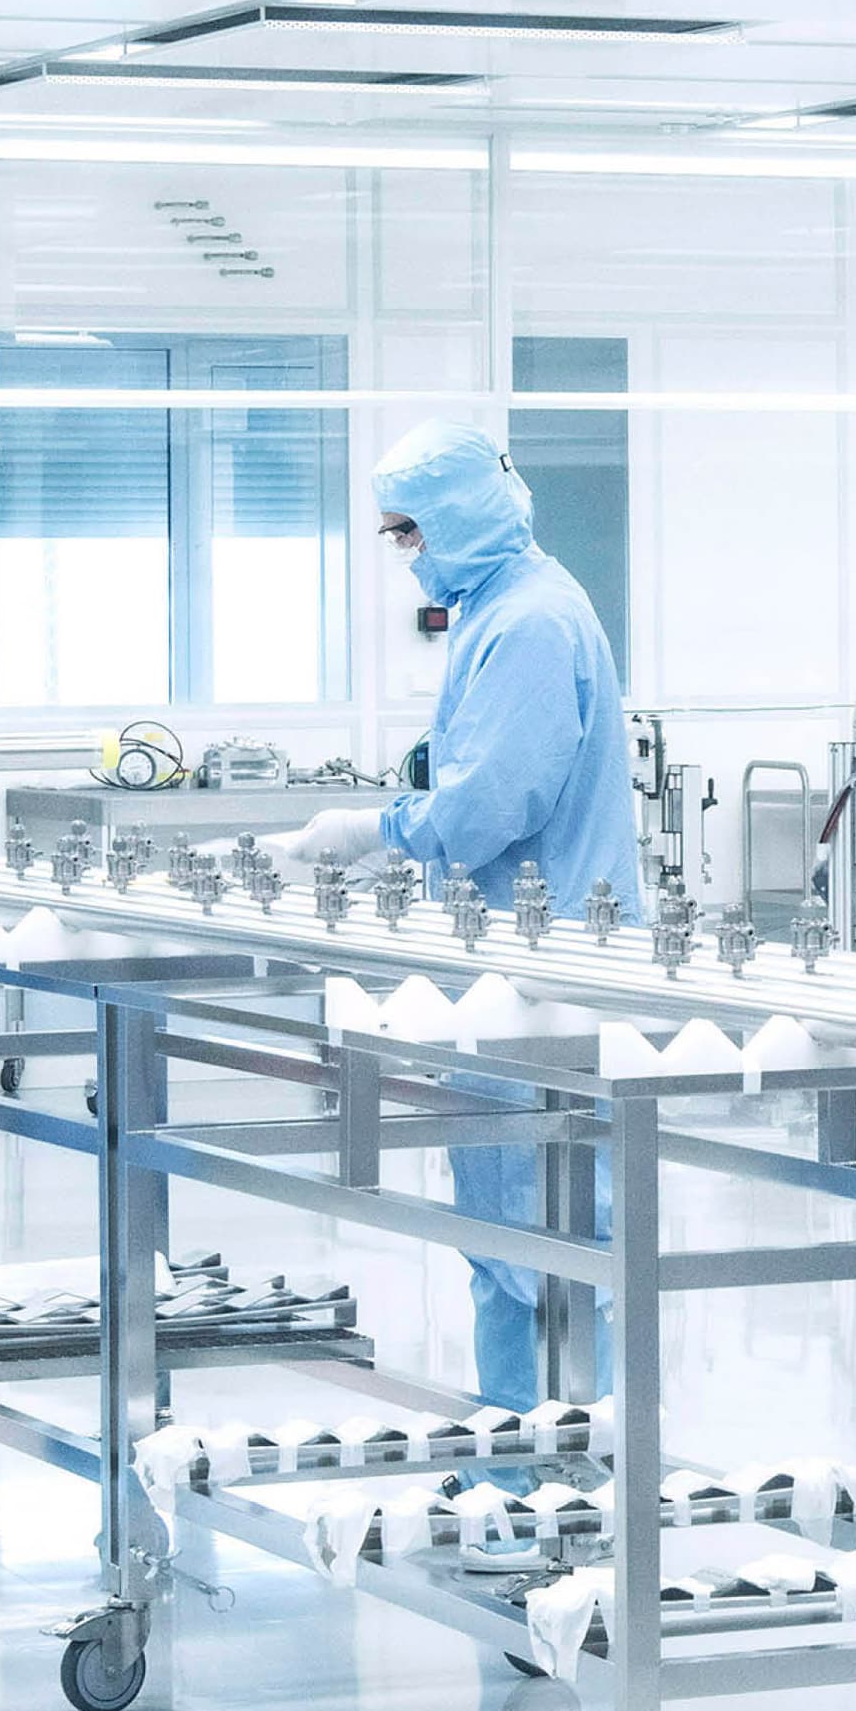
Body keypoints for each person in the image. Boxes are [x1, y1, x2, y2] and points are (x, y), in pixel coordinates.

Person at [265, 422, 642, 1409]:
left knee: (545, 1241)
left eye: (408, 533)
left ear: (459, 517)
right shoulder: (498, 609)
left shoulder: (529, 625)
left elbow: (485, 811)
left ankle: (566, 1482)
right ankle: (516, 1467)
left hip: (545, 971)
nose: (405, 555)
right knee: (503, 1240)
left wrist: (364, 830)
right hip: (507, 967)